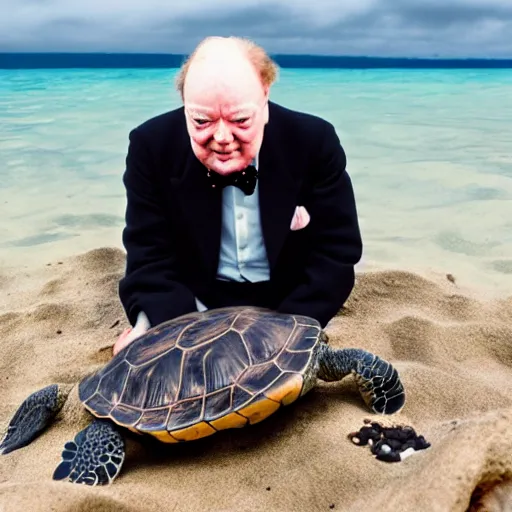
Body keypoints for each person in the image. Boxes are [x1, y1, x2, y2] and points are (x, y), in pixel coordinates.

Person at [113, 36, 363, 355]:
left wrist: (285, 333)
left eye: (240, 120)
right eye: (201, 121)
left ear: (265, 100)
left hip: (288, 304)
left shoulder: (314, 142)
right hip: (193, 302)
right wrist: (182, 334)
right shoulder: (151, 145)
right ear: (185, 106)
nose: (221, 138)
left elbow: (337, 252)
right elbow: (148, 256)